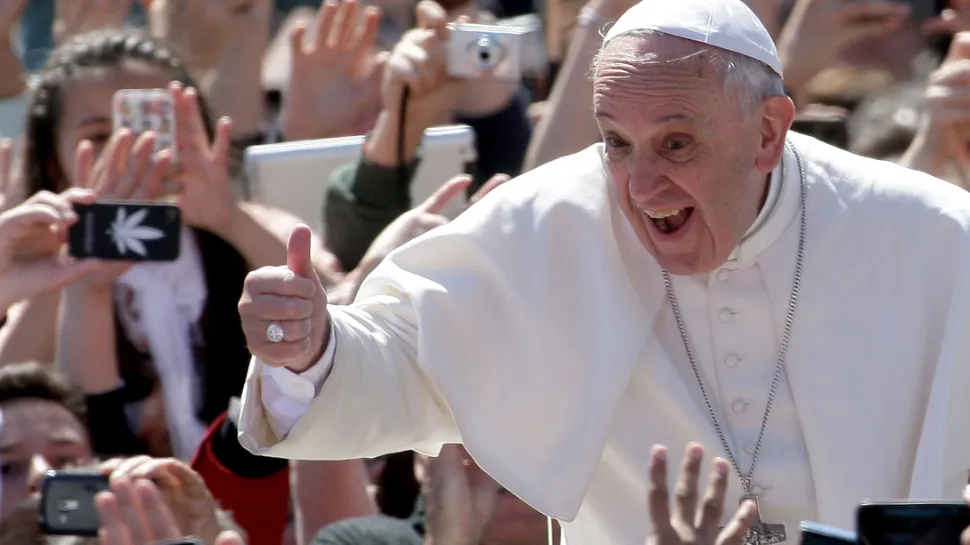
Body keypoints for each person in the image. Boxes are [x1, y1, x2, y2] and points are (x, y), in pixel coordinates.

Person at [236, 0, 970, 543]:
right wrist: (309, 347)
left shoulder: (931, 235)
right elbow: (397, 355)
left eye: (676, 143)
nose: (640, 185)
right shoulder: (556, 221)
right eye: (617, 142)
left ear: (768, 133)